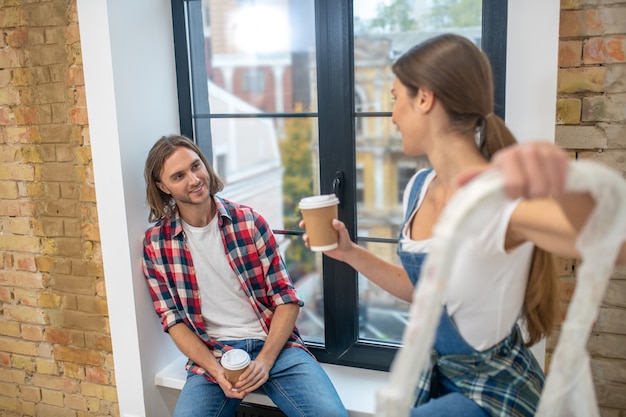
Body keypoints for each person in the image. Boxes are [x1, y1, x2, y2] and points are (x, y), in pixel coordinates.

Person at [300, 34, 626, 417]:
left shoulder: (497, 198)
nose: (392, 116)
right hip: (441, 378)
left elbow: (613, 244)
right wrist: (349, 253)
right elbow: (423, 291)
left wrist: (563, 183)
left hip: (492, 391)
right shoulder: (419, 189)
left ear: (424, 98)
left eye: (395, 99)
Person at [142, 135, 348, 417]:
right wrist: (216, 371)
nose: (193, 179)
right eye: (178, 176)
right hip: (212, 355)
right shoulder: (156, 244)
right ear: (162, 186)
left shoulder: (249, 222)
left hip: (276, 346)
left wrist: (264, 361)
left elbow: (286, 300)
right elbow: (173, 321)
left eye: (195, 166)